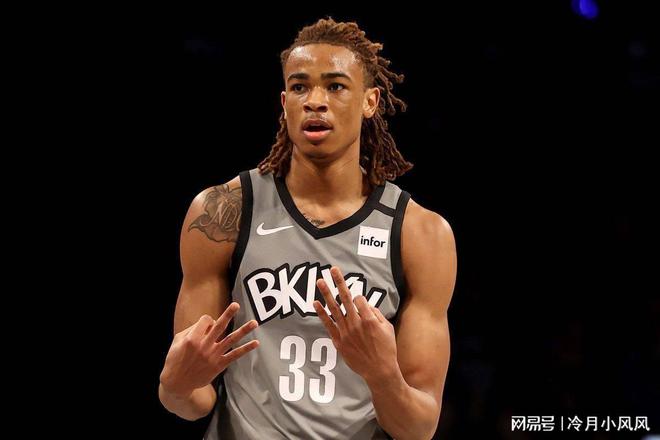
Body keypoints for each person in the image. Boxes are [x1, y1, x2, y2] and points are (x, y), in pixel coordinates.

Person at [158, 17, 457, 440]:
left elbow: (418, 428)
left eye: (335, 86)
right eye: (300, 87)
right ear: (284, 102)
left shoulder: (420, 234)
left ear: (370, 101)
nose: (315, 101)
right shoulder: (222, 213)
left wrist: (382, 375)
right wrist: (174, 387)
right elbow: (191, 400)